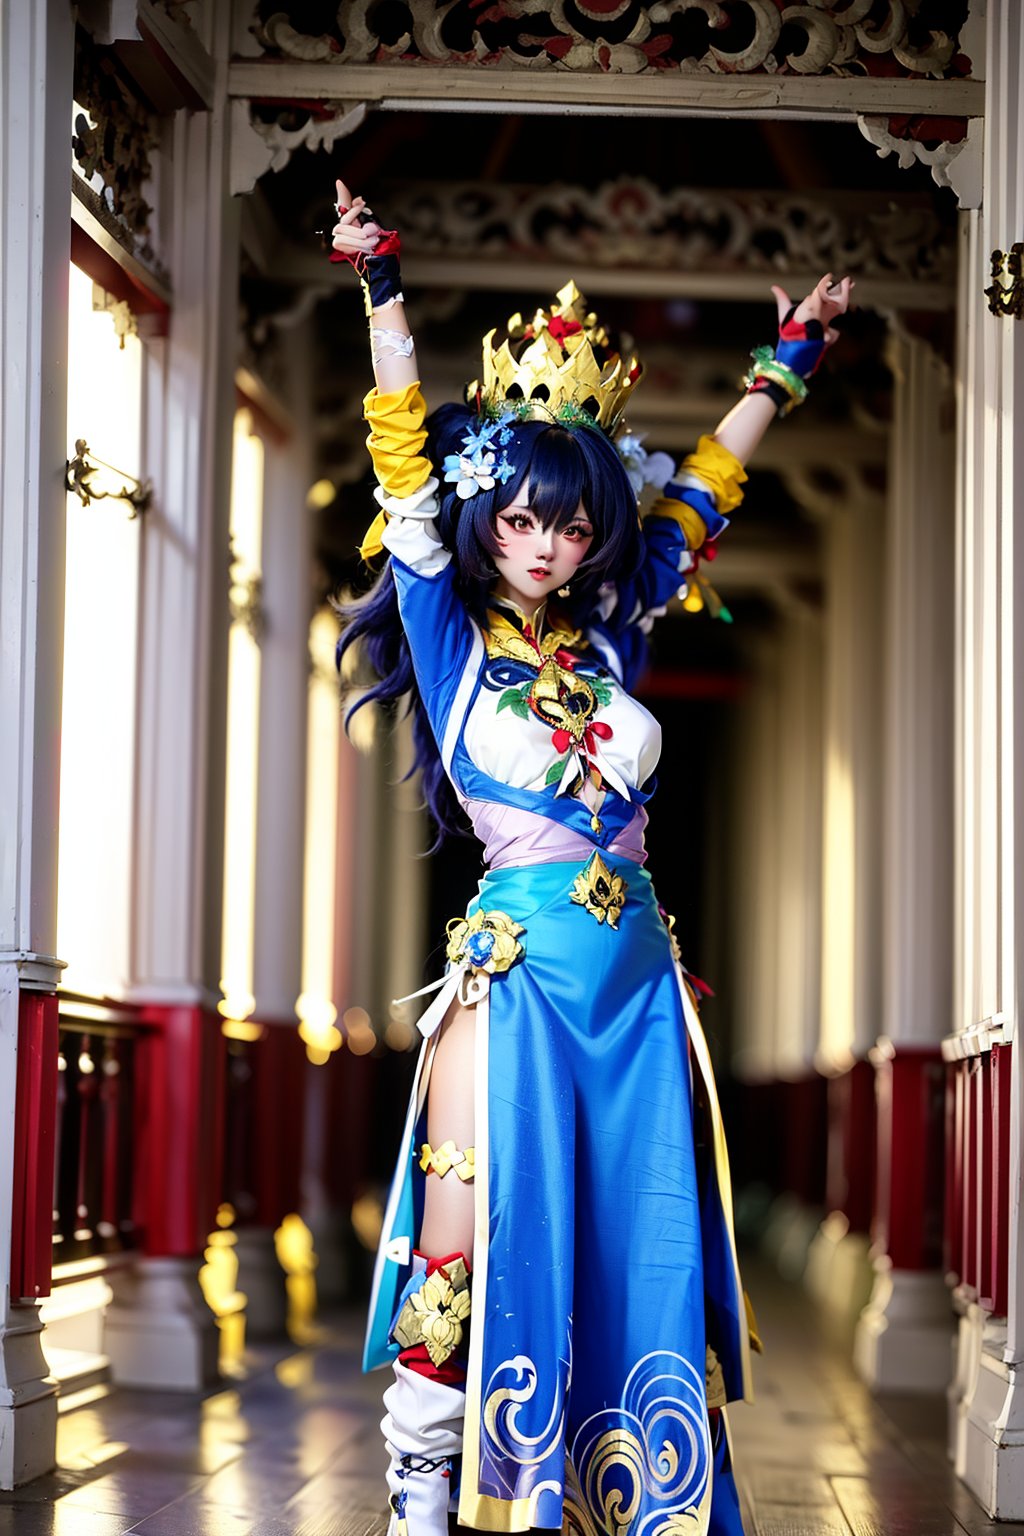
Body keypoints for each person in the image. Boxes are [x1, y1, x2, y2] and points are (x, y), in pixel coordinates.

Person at [331, 178, 850, 1536]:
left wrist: (784, 362)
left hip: (633, 982)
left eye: (568, 526)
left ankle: (635, 1499)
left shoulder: (620, 630)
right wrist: (381, 284)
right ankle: (420, 1505)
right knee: (464, 1238)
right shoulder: (447, 626)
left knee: (640, 1248)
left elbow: (710, 492)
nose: (545, 546)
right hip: (513, 973)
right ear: (487, 507)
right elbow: (397, 446)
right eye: (520, 520)